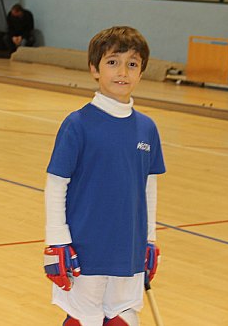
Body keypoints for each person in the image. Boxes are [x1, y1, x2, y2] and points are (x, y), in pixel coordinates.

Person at [43, 26, 166, 326]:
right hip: (85, 249)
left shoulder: (147, 128)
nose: (123, 71)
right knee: (85, 319)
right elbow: (56, 184)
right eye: (112, 62)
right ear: (94, 70)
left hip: (129, 249)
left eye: (132, 64)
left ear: (141, 72)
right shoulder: (78, 124)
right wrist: (58, 240)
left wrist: (149, 238)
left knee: (125, 318)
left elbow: (149, 186)